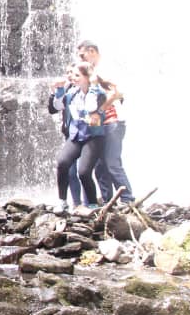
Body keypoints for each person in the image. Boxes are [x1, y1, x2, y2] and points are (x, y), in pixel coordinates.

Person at [77, 40, 134, 204]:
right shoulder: (92, 71)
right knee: (101, 166)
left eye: (82, 55)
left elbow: (116, 94)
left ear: (92, 51)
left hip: (113, 122)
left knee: (112, 163)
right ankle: (108, 200)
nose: (80, 59)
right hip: (101, 126)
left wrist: (98, 111)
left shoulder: (105, 69)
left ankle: (128, 198)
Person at [53, 61, 107, 211]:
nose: (73, 78)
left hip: (93, 137)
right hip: (76, 135)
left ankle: (92, 204)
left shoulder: (99, 93)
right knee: (62, 163)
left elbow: (90, 107)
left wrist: (93, 87)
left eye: (77, 75)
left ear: (87, 77)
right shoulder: (72, 93)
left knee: (83, 172)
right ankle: (62, 202)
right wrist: (58, 91)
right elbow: (58, 106)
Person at [49, 64, 84, 207]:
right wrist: (55, 91)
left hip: (87, 135)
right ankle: (75, 203)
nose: (70, 75)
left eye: (73, 72)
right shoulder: (66, 90)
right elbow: (53, 109)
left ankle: (91, 202)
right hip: (71, 135)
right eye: (67, 72)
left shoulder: (84, 90)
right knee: (70, 170)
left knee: (85, 171)